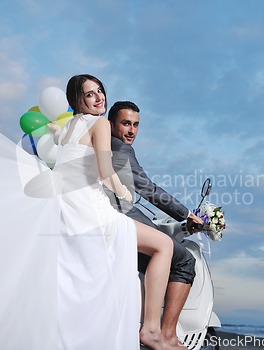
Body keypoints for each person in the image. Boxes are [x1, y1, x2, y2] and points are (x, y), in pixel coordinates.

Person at [49, 74, 173, 350]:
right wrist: (124, 192)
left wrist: (53, 131)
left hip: (70, 213)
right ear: (77, 100)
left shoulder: (67, 128)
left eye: (100, 91)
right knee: (164, 245)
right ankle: (152, 329)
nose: (99, 97)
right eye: (90, 94)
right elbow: (105, 172)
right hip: (93, 212)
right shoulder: (100, 123)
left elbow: (66, 154)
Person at [106, 101, 204, 350]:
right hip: (123, 216)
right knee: (184, 261)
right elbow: (147, 188)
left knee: (159, 248)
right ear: (111, 124)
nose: (131, 131)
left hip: (113, 215)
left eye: (136, 125)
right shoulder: (120, 148)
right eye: (126, 123)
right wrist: (186, 214)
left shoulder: (100, 144)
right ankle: (166, 335)